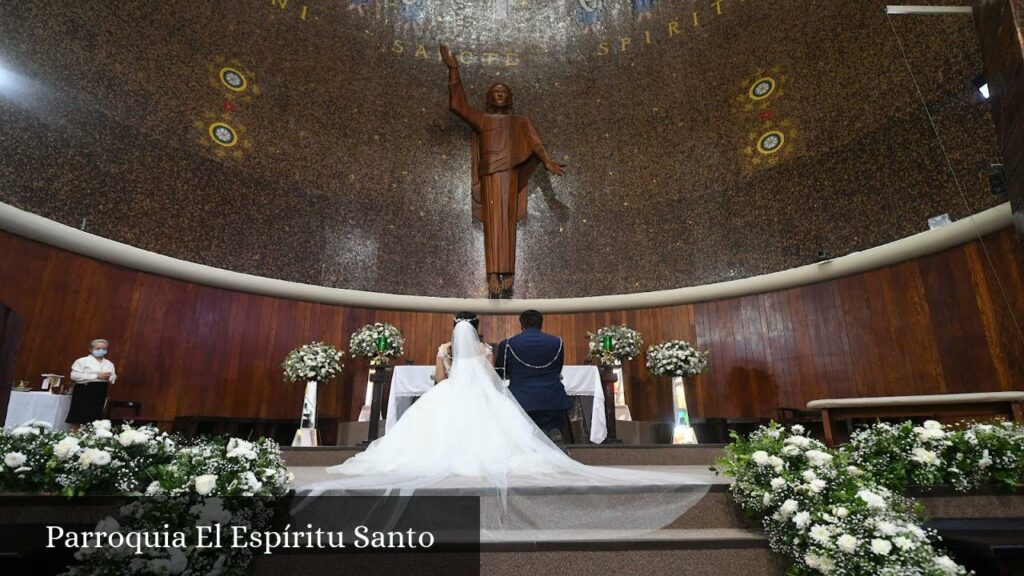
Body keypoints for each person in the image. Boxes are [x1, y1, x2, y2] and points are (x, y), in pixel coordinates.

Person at [305, 317, 709, 535]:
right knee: (497, 431)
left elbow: (440, 382)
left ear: (452, 334)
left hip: (449, 397)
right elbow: (495, 380)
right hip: (480, 396)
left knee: (430, 432)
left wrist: (448, 375)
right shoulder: (486, 349)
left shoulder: (443, 350)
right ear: (476, 334)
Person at [440, 44, 566, 298]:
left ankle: (507, 271)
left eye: (504, 92)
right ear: (489, 98)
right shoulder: (483, 120)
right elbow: (457, 105)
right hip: (490, 176)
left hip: (510, 174)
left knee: (506, 223)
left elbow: (535, 142)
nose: (500, 94)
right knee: (492, 224)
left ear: (509, 98)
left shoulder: (520, 121)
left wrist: (548, 161)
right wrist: (454, 70)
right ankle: (491, 273)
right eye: (495, 92)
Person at [494, 309, 570, 450]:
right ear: (541, 324)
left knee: (524, 438)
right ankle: (554, 435)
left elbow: (500, 371)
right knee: (552, 426)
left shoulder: (508, 344)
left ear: (521, 324)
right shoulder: (557, 342)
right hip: (552, 399)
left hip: (522, 399)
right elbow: (557, 369)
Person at [67, 338, 117, 428]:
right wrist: (96, 376)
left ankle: (90, 438)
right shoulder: (82, 361)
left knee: (95, 417)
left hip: (100, 390)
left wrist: (110, 377)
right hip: (84, 390)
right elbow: (74, 376)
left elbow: (113, 377)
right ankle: (73, 438)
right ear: (91, 349)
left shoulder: (109, 363)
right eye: (98, 348)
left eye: (104, 349)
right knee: (79, 417)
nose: (101, 350)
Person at [433, 311, 492, 382]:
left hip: (451, 390)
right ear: (475, 328)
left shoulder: (444, 349)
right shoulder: (485, 349)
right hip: (478, 390)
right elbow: (490, 378)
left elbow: (440, 378)